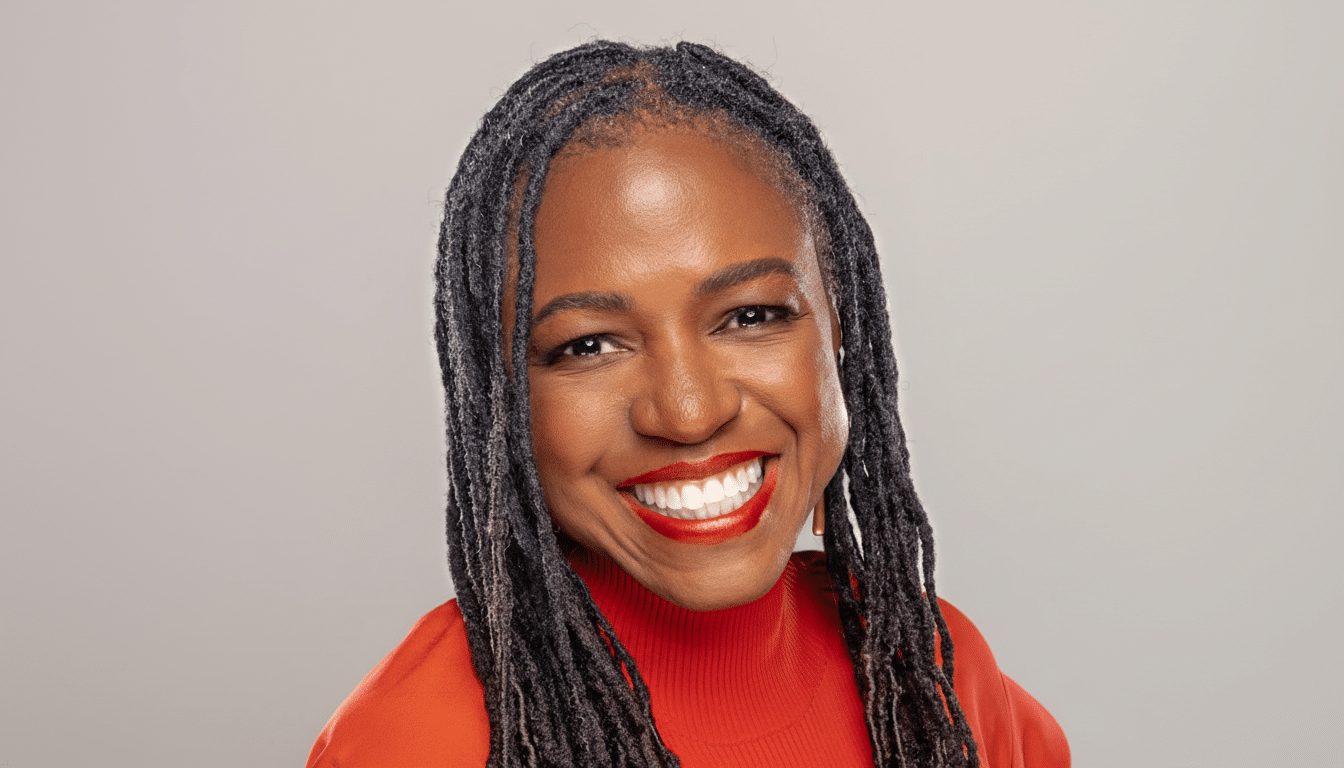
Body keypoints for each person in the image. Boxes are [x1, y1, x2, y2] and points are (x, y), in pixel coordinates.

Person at [306, 41, 1069, 768]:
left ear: (840, 324)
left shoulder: (935, 682)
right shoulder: (410, 742)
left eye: (749, 316)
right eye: (588, 345)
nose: (689, 413)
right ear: (501, 399)